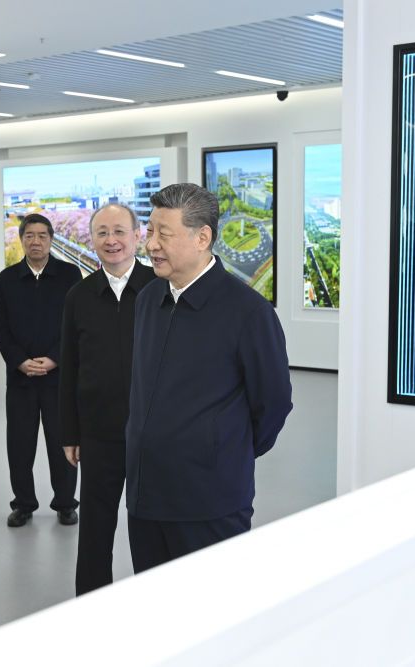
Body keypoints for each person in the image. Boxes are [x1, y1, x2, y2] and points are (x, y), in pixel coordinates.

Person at [126, 183, 293, 572]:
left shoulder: (248, 312)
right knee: (151, 601)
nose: (151, 245)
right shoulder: (148, 300)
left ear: (202, 238)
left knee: (210, 603)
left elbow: (273, 404)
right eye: (149, 232)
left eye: (163, 234)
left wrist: (224, 450)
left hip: (209, 501)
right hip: (146, 495)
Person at [59, 204, 154, 595]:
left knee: (150, 525)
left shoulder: (159, 288)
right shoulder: (79, 296)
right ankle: (90, 602)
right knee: (96, 527)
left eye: (119, 231)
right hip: (98, 433)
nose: (111, 240)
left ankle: (156, 599)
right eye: (101, 233)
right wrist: (70, 433)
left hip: (152, 433)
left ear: (137, 236)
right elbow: (69, 366)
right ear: (92, 239)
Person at [0, 213, 82, 528]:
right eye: (29, 235)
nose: (36, 241)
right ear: (21, 240)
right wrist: (19, 361)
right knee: (19, 445)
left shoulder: (69, 275)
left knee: (62, 441)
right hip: (21, 378)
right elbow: (1, 327)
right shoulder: (7, 279)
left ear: (51, 239)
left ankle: (66, 503)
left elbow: (76, 324)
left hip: (60, 377)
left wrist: (56, 358)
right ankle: (23, 504)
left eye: (42, 235)